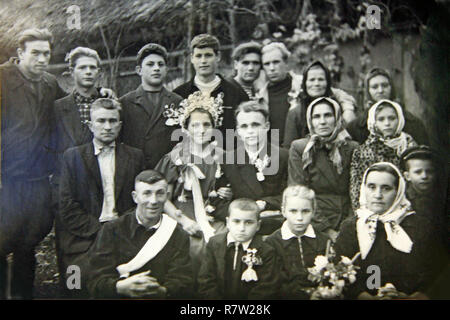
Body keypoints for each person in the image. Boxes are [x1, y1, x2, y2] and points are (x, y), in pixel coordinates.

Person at [0, 28, 66, 299]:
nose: (41, 59)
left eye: (46, 54)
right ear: (20, 53)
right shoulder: (2, 79)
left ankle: (23, 294)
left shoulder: (49, 83)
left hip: (37, 179)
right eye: (35, 53)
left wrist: (100, 93)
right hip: (6, 180)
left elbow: (69, 105)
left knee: (28, 244)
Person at [58, 98, 145, 296]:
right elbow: (66, 206)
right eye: (101, 121)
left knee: (128, 285)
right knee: (76, 283)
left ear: (120, 125)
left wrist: (119, 229)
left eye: (113, 121)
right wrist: (100, 230)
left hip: (123, 235)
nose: (107, 127)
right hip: (84, 239)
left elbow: (139, 201)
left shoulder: (135, 157)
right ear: (90, 125)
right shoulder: (72, 157)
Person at [334, 162, 445, 299]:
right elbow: (339, 270)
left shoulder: (419, 226)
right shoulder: (351, 227)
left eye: (386, 188)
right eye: (372, 187)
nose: (378, 195)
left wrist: (411, 296)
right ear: (363, 189)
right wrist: (364, 296)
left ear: (398, 191)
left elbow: (434, 271)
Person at [154, 91, 232, 285]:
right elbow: (162, 197)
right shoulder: (176, 157)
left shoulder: (222, 155)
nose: (201, 129)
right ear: (186, 129)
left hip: (214, 213)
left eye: (206, 124)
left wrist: (226, 191)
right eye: (195, 125)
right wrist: (183, 220)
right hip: (181, 214)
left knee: (222, 241)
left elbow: (228, 185)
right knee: (191, 246)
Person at [87, 170, 193, 299]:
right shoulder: (112, 230)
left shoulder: (178, 234)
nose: (153, 201)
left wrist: (163, 291)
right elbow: (94, 279)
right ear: (135, 197)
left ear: (167, 196)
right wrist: (120, 287)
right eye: (146, 193)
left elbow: (182, 279)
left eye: (160, 193)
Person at [288, 97, 358, 241]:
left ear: (337, 118)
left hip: (349, 218)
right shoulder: (300, 148)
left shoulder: (351, 148)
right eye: (316, 117)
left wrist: (350, 225)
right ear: (310, 121)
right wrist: (327, 230)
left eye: (328, 115)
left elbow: (357, 190)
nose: (322, 122)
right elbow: (299, 192)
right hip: (315, 220)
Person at [220, 100, 288, 235]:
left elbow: (290, 193)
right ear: (238, 131)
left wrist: (265, 203)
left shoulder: (283, 156)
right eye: (244, 126)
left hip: (275, 224)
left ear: (267, 126)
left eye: (255, 125)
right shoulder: (228, 159)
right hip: (241, 227)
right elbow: (218, 201)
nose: (250, 131)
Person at [197, 198, 278, 299]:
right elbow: (206, 280)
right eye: (236, 221)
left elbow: (265, 288)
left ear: (258, 225)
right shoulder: (214, 244)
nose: (242, 228)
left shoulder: (266, 250)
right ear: (227, 222)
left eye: (248, 222)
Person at [120, 43, 183, 169]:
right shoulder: (125, 102)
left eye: (160, 64)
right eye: (150, 64)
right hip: (135, 171)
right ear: (139, 70)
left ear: (166, 69)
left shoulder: (178, 102)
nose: (156, 68)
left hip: (167, 171)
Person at [173, 34, 248, 139]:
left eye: (208, 55)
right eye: (198, 56)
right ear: (191, 58)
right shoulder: (179, 94)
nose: (203, 61)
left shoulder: (236, 93)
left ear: (218, 56)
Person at [350, 99, 418, 210]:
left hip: (407, 207)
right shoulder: (364, 152)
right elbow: (357, 188)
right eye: (381, 119)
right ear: (374, 122)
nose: (387, 123)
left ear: (399, 119)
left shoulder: (410, 146)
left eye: (392, 118)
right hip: (375, 207)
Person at [266, 185, 330, 299]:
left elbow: (330, 276)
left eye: (305, 211)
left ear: (313, 212)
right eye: (293, 211)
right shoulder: (272, 243)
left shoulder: (323, 241)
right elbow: (274, 284)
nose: (299, 218)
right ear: (283, 211)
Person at [283, 60, 357, 148]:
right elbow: (289, 148)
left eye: (321, 79)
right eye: (312, 80)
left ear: (328, 82)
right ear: (305, 83)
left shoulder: (340, 107)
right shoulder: (295, 113)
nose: (316, 84)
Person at [346, 67, 428, 144]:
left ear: (391, 88)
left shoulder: (413, 123)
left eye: (385, 85)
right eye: (375, 87)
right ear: (368, 91)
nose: (380, 90)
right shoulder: (355, 128)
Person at [400, 146, 447, 244]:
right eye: (418, 172)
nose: (424, 176)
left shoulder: (443, 198)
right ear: (407, 176)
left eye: (429, 171)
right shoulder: (401, 200)